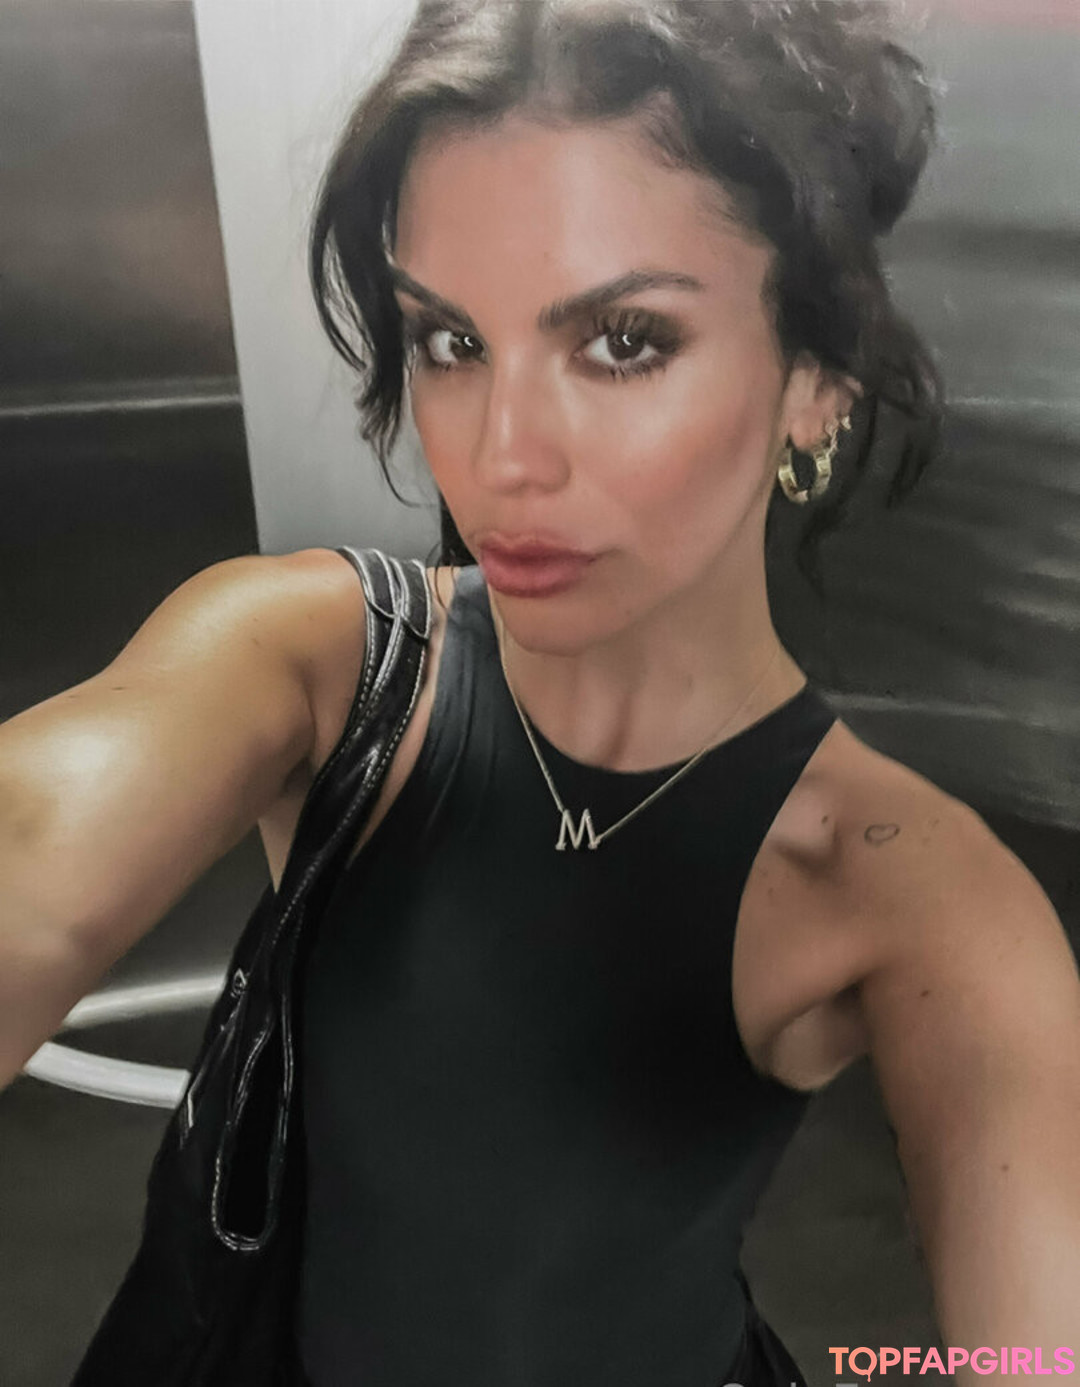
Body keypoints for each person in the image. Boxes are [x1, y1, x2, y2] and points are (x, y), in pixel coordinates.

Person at [2, 1, 1078, 1384]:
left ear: (816, 384)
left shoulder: (909, 889)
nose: (503, 457)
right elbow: (35, 847)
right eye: (450, 342)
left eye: (623, 340)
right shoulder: (319, 662)